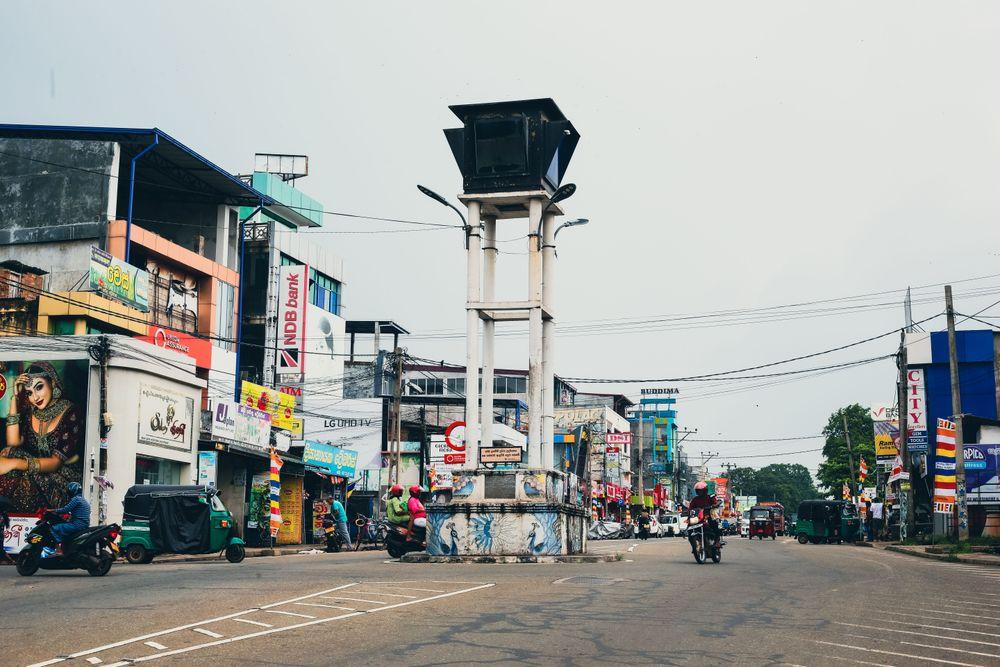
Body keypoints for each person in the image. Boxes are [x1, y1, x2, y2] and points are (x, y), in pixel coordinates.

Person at [0, 362, 84, 513]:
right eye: (29, 393)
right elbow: (13, 443)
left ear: (52, 382)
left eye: (39, 387)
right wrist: (14, 398)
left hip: (64, 481)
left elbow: (55, 463)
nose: (35, 397)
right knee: (11, 452)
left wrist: (14, 464)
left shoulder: (71, 412)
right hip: (36, 474)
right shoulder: (31, 412)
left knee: (20, 471)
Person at [49, 481, 90, 547]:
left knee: (54, 529)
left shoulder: (76, 499)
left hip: (76, 525)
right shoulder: (84, 500)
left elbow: (65, 509)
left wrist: (52, 510)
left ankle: (59, 549)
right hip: (84, 525)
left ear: (72, 491)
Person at [688, 481, 720, 546]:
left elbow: (716, 502)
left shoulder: (710, 497)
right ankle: (694, 545)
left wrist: (714, 505)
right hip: (698, 518)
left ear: (705, 490)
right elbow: (690, 508)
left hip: (708, 516)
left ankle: (717, 541)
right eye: (698, 491)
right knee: (689, 527)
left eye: (700, 490)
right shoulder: (695, 499)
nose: (699, 492)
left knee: (714, 524)